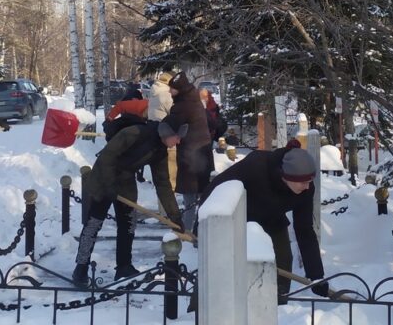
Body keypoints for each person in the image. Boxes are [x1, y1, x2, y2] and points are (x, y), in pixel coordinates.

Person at [201, 141, 328, 301]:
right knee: (225, 264)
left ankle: (279, 302)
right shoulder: (256, 167)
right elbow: (215, 189)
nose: (307, 187)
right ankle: (202, 305)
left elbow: (305, 230)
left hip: (273, 220)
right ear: (286, 177)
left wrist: (316, 276)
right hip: (241, 220)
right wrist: (202, 225)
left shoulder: (305, 189)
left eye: (310, 181)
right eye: (303, 182)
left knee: (283, 260)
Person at [71, 121, 187, 286]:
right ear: (167, 133)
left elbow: (163, 185)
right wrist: (109, 186)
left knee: (128, 224)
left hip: (125, 181)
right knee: (94, 223)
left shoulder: (160, 151)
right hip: (103, 177)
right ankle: (81, 267)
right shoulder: (135, 133)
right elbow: (107, 157)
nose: (179, 141)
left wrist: (175, 217)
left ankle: (124, 266)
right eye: (177, 137)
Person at [163, 72, 213, 231]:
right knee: (201, 195)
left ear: (180, 89)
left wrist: (161, 130)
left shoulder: (183, 106)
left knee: (190, 196)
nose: (169, 91)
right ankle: (200, 230)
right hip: (202, 153)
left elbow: (170, 123)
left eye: (172, 88)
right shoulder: (194, 100)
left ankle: (188, 231)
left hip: (191, 156)